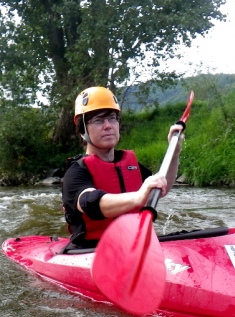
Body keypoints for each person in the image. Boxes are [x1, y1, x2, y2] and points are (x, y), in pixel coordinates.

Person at [61, 86, 184, 249]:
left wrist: (174, 152)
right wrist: (138, 197)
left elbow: (162, 188)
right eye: (98, 120)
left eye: (112, 118)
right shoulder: (76, 172)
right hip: (94, 249)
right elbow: (90, 203)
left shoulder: (130, 165)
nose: (108, 126)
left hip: (136, 244)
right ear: (82, 129)